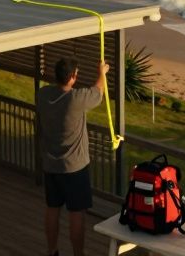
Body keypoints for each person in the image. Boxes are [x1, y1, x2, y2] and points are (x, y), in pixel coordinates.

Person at [37, 55, 109, 256]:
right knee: (76, 213)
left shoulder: (43, 95)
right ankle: (79, 254)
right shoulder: (75, 99)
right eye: (76, 75)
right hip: (74, 168)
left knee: (52, 208)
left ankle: (52, 251)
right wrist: (101, 73)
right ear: (72, 78)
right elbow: (98, 92)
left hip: (51, 165)